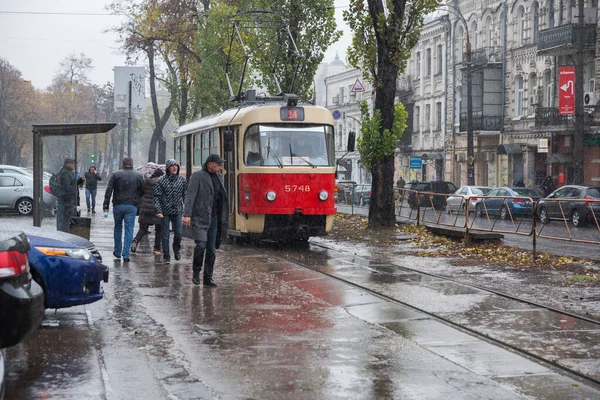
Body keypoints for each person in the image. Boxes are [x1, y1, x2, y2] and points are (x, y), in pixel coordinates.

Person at [183, 154, 229, 287]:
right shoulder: (198, 176)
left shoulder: (219, 177)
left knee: (211, 249)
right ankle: (196, 272)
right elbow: (190, 196)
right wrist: (187, 214)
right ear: (210, 164)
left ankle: (208, 277)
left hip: (214, 217)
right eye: (218, 164)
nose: (220, 167)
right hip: (200, 217)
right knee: (201, 245)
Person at [103, 156, 144, 263]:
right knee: (129, 229)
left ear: (122, 164)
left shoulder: (116, 175)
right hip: (131, 206)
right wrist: (138, 204)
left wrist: (106, 206)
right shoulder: (138, 176)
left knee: (117, 227)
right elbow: (142, 192)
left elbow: (109, 190)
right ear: (132, 164)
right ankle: (126, 254)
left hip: (118, 205)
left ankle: (117, 251)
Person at [154, 159, 188, 265]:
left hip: (177, 211)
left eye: (176, 166)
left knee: (178, 233)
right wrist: (158, 210)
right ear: (168, 168)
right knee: (165, 235)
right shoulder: (161, 180)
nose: (174, 167)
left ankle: (176, 248)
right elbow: (157, 197)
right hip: (165, 212)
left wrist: (186, 211)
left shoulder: (182, 180)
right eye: (172, 166)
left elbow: (186, 196)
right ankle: (166, 256)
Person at [131, 167, 164, 255]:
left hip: (145, 207)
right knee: (159, 229)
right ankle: (157, 248)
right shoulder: (161, 183)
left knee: (142, 229)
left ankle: (135, 240)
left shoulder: (145, 181)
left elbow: (140, 193)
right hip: (156, 209)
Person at [55, 158, 79, 232]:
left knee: (65, 218)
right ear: (68, 164)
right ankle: (61, 232)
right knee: (63, 218)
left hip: (66, 200)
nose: (74, 165)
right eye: (72, 164)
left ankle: (62, 231)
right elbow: (67, 187)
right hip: (65, 200)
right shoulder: (65, 173)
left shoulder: (68, 172)